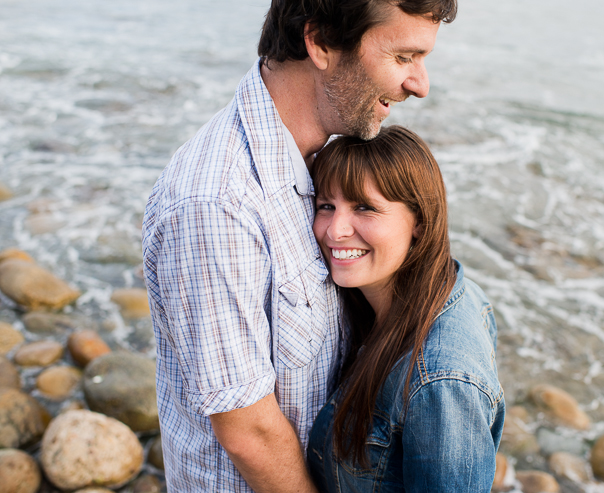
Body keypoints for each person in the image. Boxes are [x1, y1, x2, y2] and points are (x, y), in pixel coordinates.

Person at [141, 0, 457, 491]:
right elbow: (249, 431)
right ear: (321, 43)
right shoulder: (217, 204)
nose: (419, 84)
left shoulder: (317, 166)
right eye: (402, 57)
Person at [307, 125, 505, 492]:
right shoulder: (444, 286)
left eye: (364, 207)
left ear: (419, 222)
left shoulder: (441, 383)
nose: (335, 231)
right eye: (326, 206)